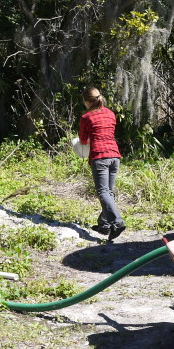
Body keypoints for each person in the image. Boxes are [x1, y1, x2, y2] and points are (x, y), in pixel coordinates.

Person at [78, 87, 126, 241]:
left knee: (103, 192)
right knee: (108, 192)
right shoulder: (111, 114)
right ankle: (104, 225)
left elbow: (83, 140)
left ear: (87, 101)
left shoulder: (87, 117)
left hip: (100, 157)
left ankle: (117, 223)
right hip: (114, 155)